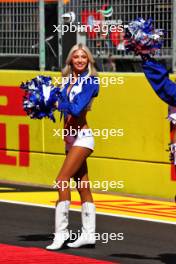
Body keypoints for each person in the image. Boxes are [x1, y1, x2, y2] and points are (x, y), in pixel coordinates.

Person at [46, 43, 99, 250]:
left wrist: (59, 104)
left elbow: (77, 109)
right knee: (83, 186)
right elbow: (56, 105)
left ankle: (61, 234)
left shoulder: (91, 81)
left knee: (61, 180)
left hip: (83, 138)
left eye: (83, 57)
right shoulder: (66, 80)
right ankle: (88, 234)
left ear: (88, 60)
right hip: (69, 139)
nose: (79, 60)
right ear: (70, 60)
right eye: (76, 57)